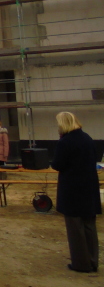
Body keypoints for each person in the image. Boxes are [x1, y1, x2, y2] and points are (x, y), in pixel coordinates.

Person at [52, 112, 100, 273]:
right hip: (89, 188)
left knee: (75, 229)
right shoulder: (87, 138)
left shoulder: (65, 142)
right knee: (89, 226)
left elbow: (58, 164)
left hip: (72, 189)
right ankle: (93, 261)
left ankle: (81, 263)